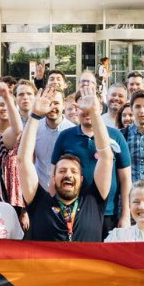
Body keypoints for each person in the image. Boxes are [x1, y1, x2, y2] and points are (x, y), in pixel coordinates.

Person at [19, 91, 115, 243]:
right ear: (53, 177)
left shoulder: (94, 201)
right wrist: (35, 116)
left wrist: (95, 115)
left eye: (74, 171)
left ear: (81, 179)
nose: (68, 175)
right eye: (62, 171)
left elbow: (106, 157)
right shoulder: (39, 203)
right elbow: (23, 160)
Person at [50, 74, 132, 233]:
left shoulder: (115, 136)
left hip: (108, 212)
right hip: (74, 211)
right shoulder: (65, 136)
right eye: (82, 106)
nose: (87, 111)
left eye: (91, 105)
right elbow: (53, 175)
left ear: (100, 108)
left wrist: (125, 214)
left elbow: (125, 178)